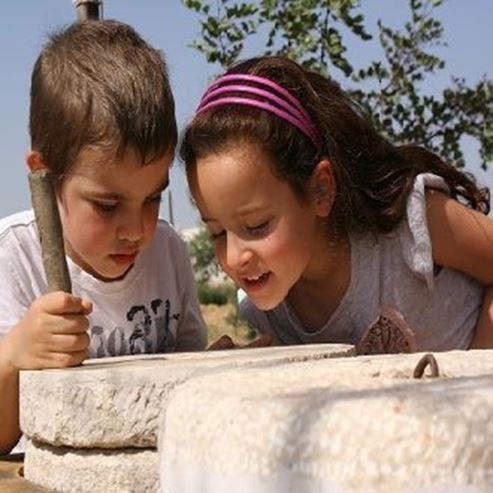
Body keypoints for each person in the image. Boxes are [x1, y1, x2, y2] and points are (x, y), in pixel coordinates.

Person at [180, 55, 493, 355]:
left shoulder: (407, 224)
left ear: (321, 189)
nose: (234, 258)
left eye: (256, 226)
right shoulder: (270, 310)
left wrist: (477, 369)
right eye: (217, 233)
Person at [0, 20, 207, 455]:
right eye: (107, 205)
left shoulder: (167, 251)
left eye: (153, 198)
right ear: (44, 172)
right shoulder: (13, 257)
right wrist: (13, 356)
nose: (137, 230)